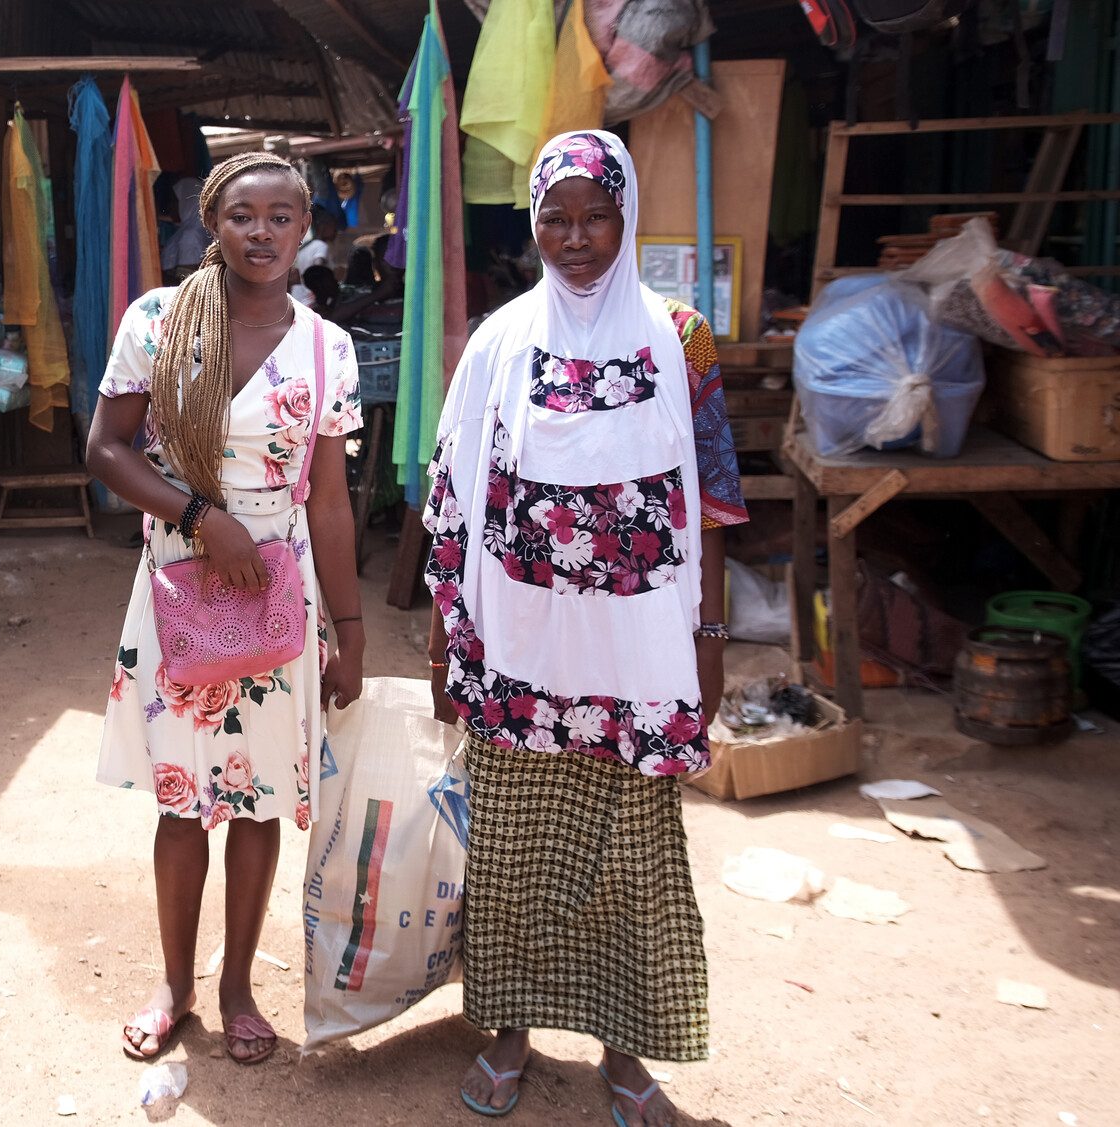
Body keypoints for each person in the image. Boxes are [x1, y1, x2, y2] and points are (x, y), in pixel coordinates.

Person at [421, 131, 746, 1126]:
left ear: (624, 214)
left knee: (632, 857)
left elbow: (714, 496)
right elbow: (451, 491)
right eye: (552, 218)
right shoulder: (499, 339)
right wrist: (445, 637)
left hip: (641, 651)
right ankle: (508, 1030)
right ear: (530, 225)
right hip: (519, 646)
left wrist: (709, 633)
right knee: (513, 853)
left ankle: (622, 1048)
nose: (573, 237)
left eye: (593, 215)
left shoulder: (678, 334)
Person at [88, 151, 365, 1068]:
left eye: (282, 216)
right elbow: (106, 447)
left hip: (280, 600)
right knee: (179, 803)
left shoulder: (327, 347)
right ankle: (175, 983)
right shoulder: (159, 320)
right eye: (244, 214)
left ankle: (240, 984)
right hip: (180, 584)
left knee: (256, 803)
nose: (262, 232)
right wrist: (201, 518)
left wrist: (349, 633)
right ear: (215, 221)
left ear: (303, 227)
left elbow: (329, 500)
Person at [162, 176, 210, 284]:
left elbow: (185, 278)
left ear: (187, 202)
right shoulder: (197, 229)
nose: (170, 206)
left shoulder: (190, 235)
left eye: (174, 201)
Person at [289, 206, 338, 304]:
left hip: (298, 298)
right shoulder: (321, 246)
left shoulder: (305, 247)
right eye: (334, 226)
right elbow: (318, 268)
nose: (336, 231)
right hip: (312, 300)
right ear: (324, 226)